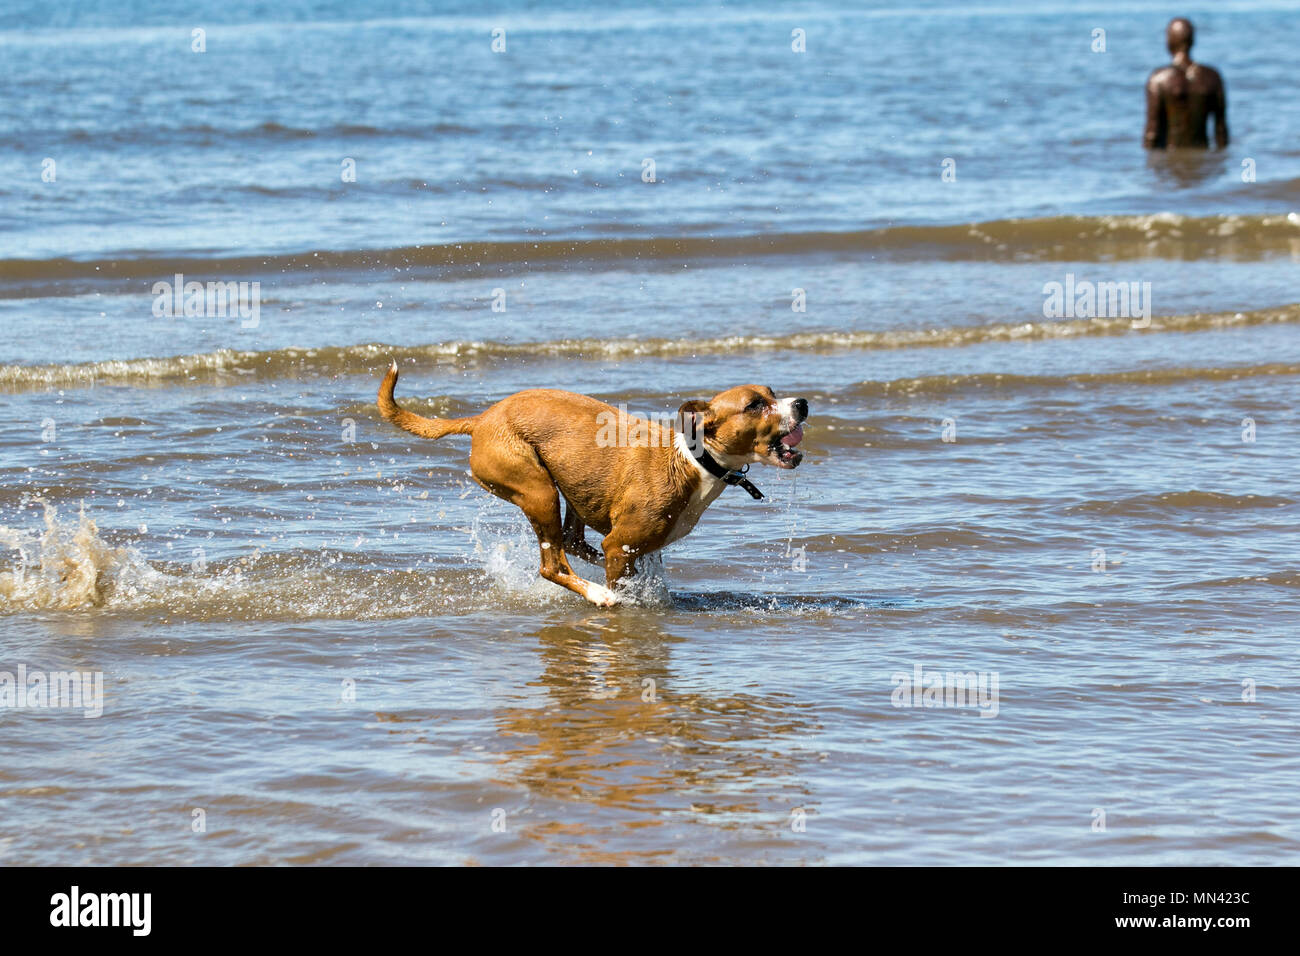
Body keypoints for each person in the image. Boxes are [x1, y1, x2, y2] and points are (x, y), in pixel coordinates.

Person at [1143, 18, 1228, 149]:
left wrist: (1150, 165)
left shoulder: (1158, 79)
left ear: (1169, 41)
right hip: (1203, 159)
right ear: (1192, 41)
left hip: (1169, 159)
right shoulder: (1212, 77)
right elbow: (1221, 132)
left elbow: (1152, 133)